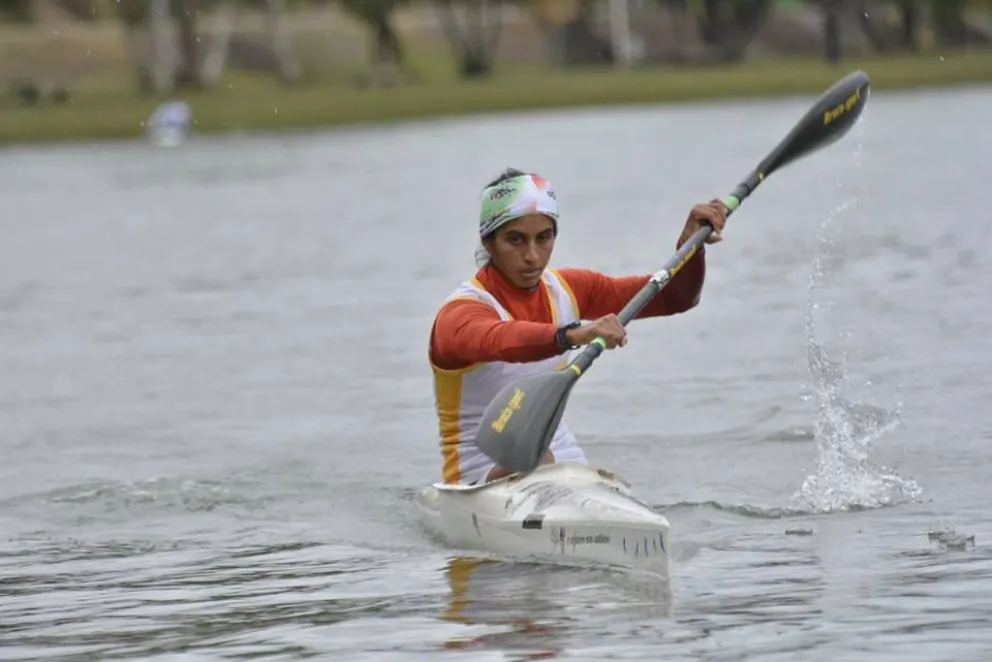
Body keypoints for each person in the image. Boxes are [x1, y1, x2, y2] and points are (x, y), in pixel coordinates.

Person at [428, 167, 728, 485]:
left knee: (585, 476)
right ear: (489, 242)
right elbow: (501, 340)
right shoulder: (458, 314)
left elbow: (673, 298)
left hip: (559, 462)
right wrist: (571, 334)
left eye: (544, 238)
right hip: (477, 478)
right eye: (515, 240)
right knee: (539, 462)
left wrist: (691, 248)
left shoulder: (569, 288)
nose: (532, 256)